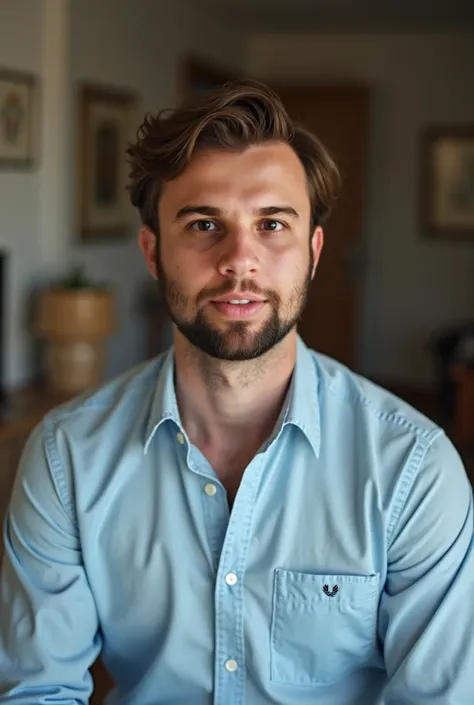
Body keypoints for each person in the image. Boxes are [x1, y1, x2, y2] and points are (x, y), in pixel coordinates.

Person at [0, 79, 473, 705]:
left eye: (272, 223)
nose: (240, 259)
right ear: (152, 251)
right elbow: (36, 691)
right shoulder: (67, 458)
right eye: (203, 224)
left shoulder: (414, 470)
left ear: (312, 251)